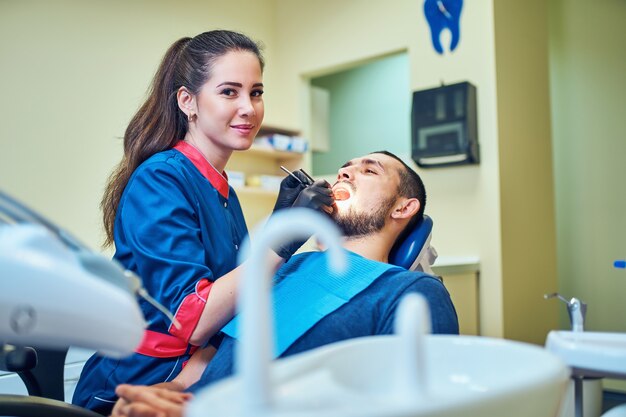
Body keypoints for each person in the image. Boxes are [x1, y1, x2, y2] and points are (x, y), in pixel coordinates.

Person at [72, 30, 332, 415]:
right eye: (229, 92)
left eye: (256, 92)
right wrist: (283, 238)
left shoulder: (220, 187)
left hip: (202, 371)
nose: (248, 107)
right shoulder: (161, 179)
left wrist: (278, 225)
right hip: (140, 386)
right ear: (187, 101)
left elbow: (234, 292)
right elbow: (191, 318)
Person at [109, 151, 459, 417]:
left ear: (403, 207)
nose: (346, 172)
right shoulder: (285, 269)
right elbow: (208, 360)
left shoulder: (411, 293)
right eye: (345, 168)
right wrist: (159, 396)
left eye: (368, 171)